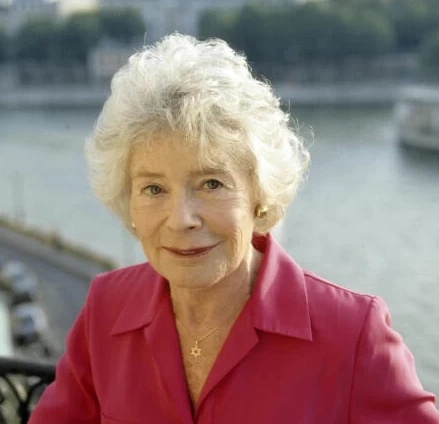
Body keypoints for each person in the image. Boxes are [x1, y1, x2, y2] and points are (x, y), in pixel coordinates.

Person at [29, 33, 439, 424]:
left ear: (260, 193)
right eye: (154, 188)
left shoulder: (352, 334)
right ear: (127, 199)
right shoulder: (106, 308)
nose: (182, 218)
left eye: (211, 184)